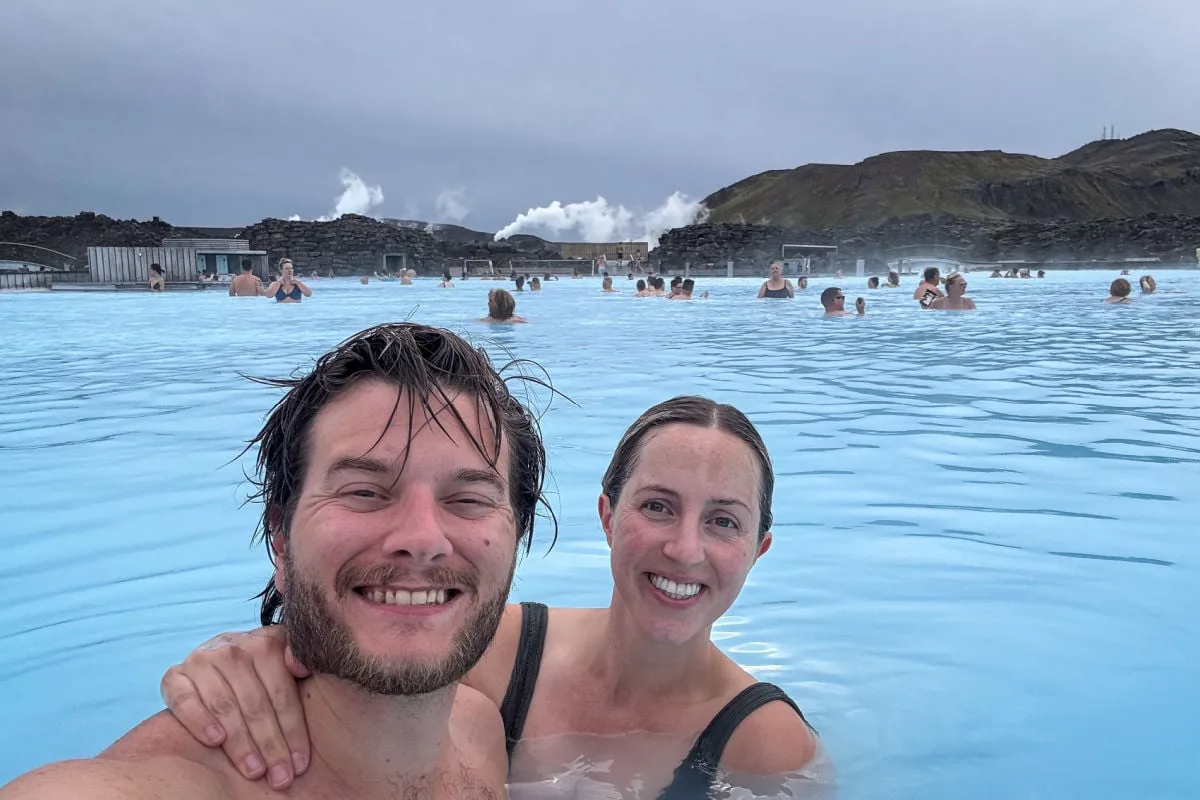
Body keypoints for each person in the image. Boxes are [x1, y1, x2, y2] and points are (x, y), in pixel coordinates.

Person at [156, 397, 825, 798]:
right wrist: (266, 655)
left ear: (758, 550)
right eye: (657, 506)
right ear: (607, 516)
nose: (685, 549)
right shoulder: (490, 649)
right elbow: (348, 680)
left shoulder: (766, 745)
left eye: (723, 521)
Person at [0, 323, 558, 800]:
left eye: (468, 500)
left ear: (517, 536)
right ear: (280, 538)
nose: (421, 538)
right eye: (364, 491)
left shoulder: (478, 728)